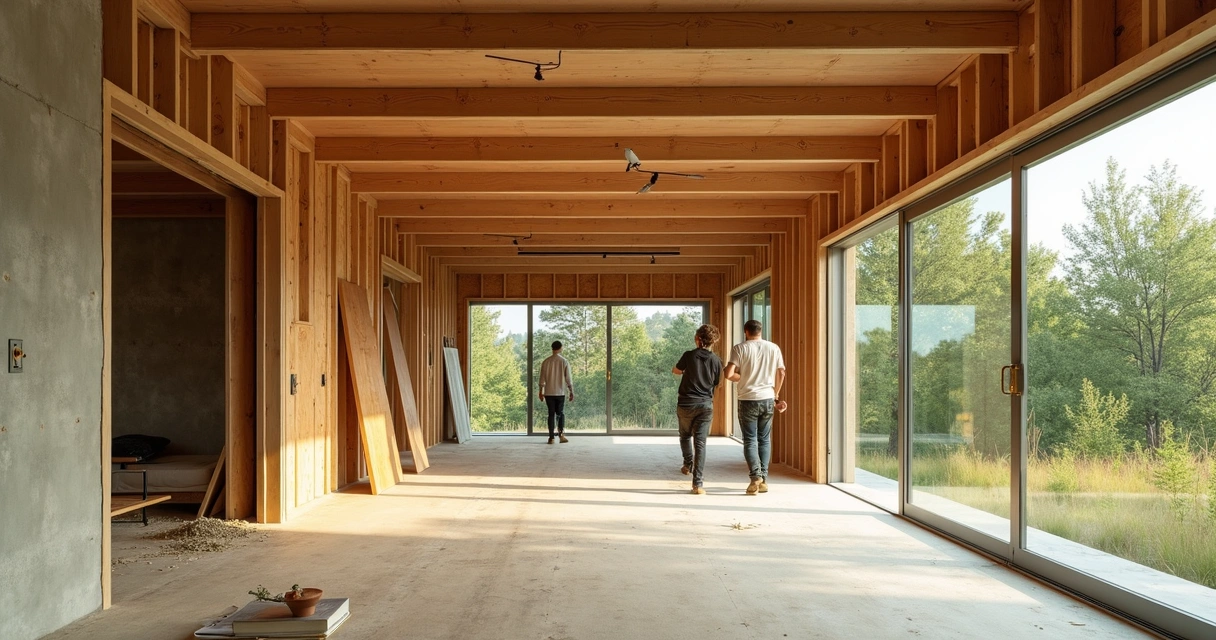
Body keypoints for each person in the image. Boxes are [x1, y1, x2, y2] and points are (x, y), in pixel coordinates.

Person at [724, 320, 786, 495]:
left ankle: (755, 477)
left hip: (747, 399)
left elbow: (728, 374)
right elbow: (781, 372)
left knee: (750, 440)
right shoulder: (774, 348)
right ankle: (764, 480)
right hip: (767, 398)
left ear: (746, 331)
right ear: (761, 331)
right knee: (764, 439)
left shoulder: (739, 348)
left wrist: (742, 378)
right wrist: (775, 393)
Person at [672, 324, 722, 495]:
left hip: (686, 403)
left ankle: (687, 464)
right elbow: (716, 382)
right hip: (705, 405)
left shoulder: (689, 355)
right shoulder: (716, 361)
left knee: (685, 435)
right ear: (713, 341)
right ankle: (698, 484)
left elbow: (676, 370)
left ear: (698, 339)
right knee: (700, 444)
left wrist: (685, 372)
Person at [538, 340, 574, 444]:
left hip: (549, 393)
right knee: (560, 414)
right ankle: (561, 435)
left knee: (551, 414)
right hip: (560, 392)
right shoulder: (564, 361)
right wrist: (571, 391)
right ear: (560, 348)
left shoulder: (546, 361)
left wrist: (541, 391)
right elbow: (568, 379)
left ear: (552, 348)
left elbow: (542, 379)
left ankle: (551, 437)